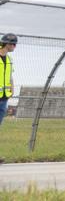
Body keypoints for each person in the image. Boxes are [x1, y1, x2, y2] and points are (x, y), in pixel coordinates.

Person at [0, 33, 15, 163]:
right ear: (7, 44)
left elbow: (10, 76)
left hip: (3, 99)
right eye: (14, 44)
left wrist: (12, 88)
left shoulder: (9, 59)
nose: (15, 47)